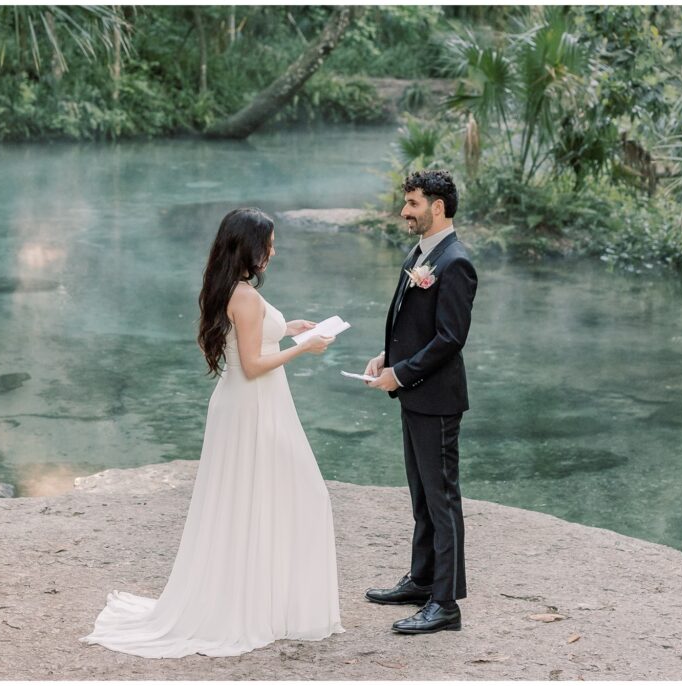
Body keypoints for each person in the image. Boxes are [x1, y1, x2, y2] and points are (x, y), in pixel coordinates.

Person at [81, 207, 344, 658]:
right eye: (270, 244)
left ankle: (268, 604)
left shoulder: (236, 289)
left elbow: (255, 340)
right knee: (293, 495)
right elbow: (254, 363)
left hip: (254, 404)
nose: (274, 251)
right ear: (249, 247)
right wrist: (304, 349)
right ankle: (254, 607)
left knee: (266, 498)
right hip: (252, 407)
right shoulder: (243, 295)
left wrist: (291, 329)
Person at [363, 169, 477, 634]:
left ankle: (445, 604)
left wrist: (400, 374)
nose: (404, 211)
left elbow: (450, 339)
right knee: (422, 498)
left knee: (442, 499)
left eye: (411, 203)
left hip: (437, 400)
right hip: (415, 396)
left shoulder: (456, 262)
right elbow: (416, 327)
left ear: (437, 207)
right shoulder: (422, 252)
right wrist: (389, 357)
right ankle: (423, 578)